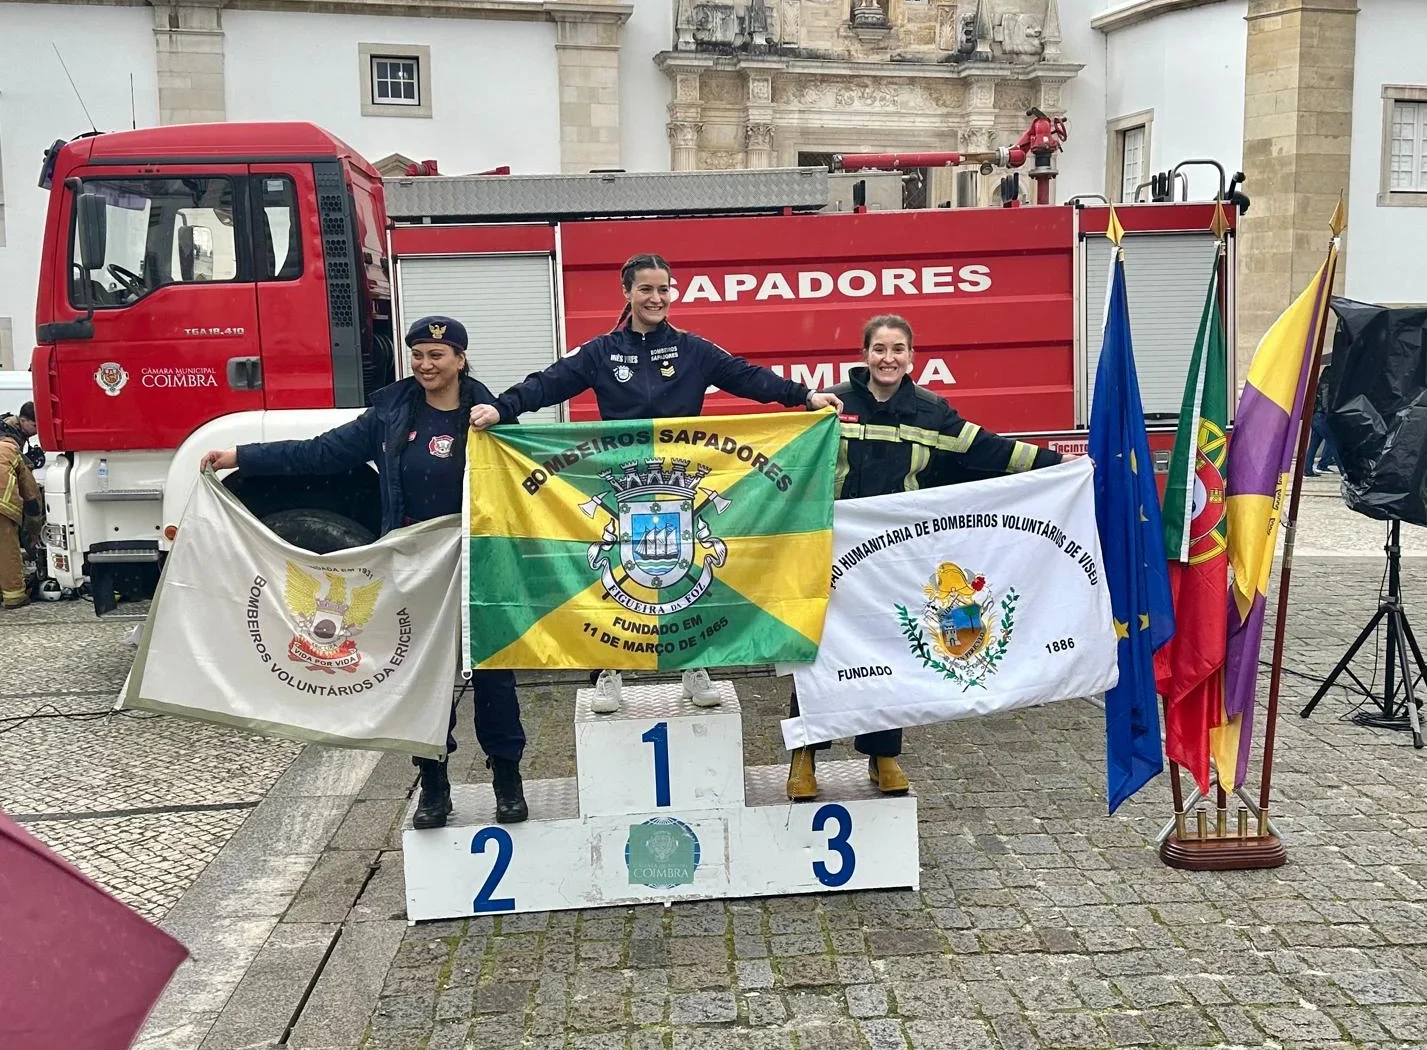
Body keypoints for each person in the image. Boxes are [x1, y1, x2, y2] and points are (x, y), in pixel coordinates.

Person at [470, 252, 845, 714]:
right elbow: (547, 383)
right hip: (620, 484)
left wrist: (803, 396)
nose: (656, 298)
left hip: (679, 485)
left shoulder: (693, 349)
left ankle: (695, 667)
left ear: (673, 292)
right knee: (611, 572)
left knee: (690, 570)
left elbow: (746, 377)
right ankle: (608, 671)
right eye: (645, 289)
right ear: (626, 293)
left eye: (663, 289)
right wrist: (502, 410)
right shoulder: (600, 352)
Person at [201, 317, 529, 829]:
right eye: (418, 354)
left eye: (437, 355)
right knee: (423, 679)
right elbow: (320, 452)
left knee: (493, 676)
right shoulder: (390, 414)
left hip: (479, 563)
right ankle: (433, 785)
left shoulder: (490, 416)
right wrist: (240, 456)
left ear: (461, 359)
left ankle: (508, 780)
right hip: (413, 568)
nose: (425, 365)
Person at [786, 315, 1067, 801]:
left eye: (898, 349)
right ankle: (805, 753)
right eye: (879, 349)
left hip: (898, 559)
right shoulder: (833, 404)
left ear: (912, 357)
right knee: (822, 652)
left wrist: (1058, 464)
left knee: (893, 651)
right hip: (836, 554)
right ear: (864, 354)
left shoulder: (932, 411)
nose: (888, 358)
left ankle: (883, 756)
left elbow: (989, 450)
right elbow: (791, 458)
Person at [0, 402, 42, 610]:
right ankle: (14, 595)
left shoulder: (7, 433)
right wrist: (34, 528)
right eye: (35, 426)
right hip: (2, 503)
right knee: (7, 550)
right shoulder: (11, 447)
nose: (37, 432)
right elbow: (30, 492)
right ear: (23, 421)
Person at [1306, 354, 1339, 476]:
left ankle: (1307, 469)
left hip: (1316, 416)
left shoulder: (1321, 383)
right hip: (1321, 416)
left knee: (1314, 445)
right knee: (1334, 441)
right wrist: (1329, 413)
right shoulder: (1326, 385)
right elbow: (1325, 401)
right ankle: (1342, 470)